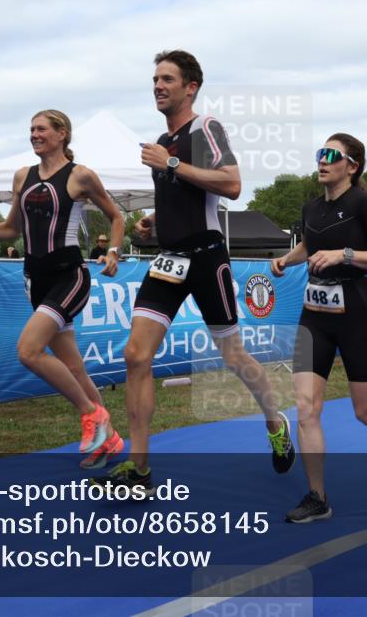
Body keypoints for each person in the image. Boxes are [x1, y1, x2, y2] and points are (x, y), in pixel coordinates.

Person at [93, 50, 295, 495]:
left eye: (167, 79)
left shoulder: (205, 128)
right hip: (169, 260)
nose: (158, 86)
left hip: (206, 258)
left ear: (191, 87)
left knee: (233, 356)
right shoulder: (160, 141)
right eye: (154, 80)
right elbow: (182, 200)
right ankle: (139, 468)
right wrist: (153, 225)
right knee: (135, 355)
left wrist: (169, 163)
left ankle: (274, 419)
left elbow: (232, 185)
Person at [0, 109, 126, 469]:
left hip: (69, 275)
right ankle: (112, 439)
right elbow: (12, 230)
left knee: (28, 351)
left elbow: (117, 217)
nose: (34, 134)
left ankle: (92, 417)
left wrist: (113, 250)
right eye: (31, 129)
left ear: (62, 134)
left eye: (41, 129)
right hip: (36, 278)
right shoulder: (22, 177)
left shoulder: (80, 175)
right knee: (73, 368)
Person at [271, 134, 367, 524]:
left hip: (357, 315)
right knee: (305, 407)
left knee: (365, 413)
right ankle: (318, 497)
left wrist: (346, 255)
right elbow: (311, 245)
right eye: (320, 153)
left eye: (331, 155)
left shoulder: (363, 204)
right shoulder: (311, 207)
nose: (322, 160)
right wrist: (287, 258)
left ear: (352, 166)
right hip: (314, 316)